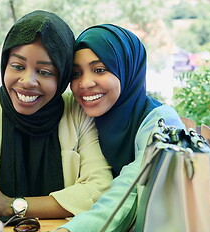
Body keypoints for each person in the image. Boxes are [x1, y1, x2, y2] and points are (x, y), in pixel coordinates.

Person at [0, 10, 112, 229]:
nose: (27, 81)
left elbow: (100, 189)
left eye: (44, 72)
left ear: (62, 75)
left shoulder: (76, 111)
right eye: (17, 66)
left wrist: (12, 205)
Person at [55, 24, 186, 231]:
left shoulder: (160, 122)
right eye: (75, 74)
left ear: (127, 69)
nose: (85, 83)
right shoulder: (86, 118)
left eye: (99, 70)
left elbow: (128, 193)